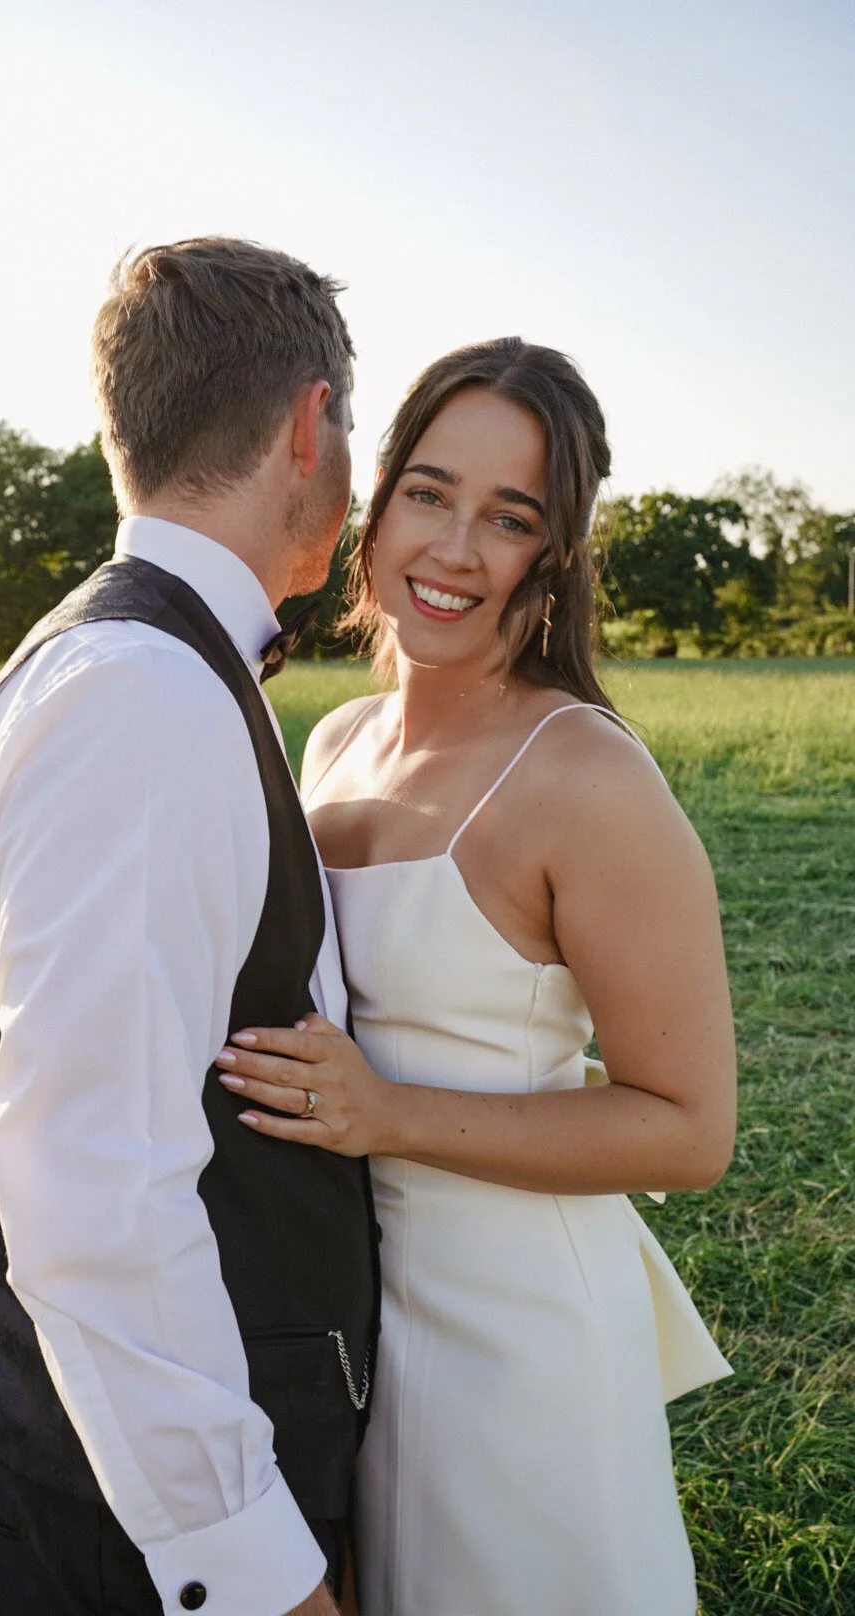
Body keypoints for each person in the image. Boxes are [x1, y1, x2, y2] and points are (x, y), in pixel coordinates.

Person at [211, 340, 737, 1616]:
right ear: (377, 500)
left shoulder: (587, 780)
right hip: (350, 1319)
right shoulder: (332, 738)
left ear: (554, 552)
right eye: (430, 492)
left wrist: (385, 1113)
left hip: (519, 1334)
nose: (454, 548)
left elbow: (689, 1128)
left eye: (509, 518)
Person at [0, 238, 380, 1616]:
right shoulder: (143, 696)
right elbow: (97, 1192)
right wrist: (246, 1569)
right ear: (313, 425)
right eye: (352, 424)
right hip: (135, 1524)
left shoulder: (143, 659)